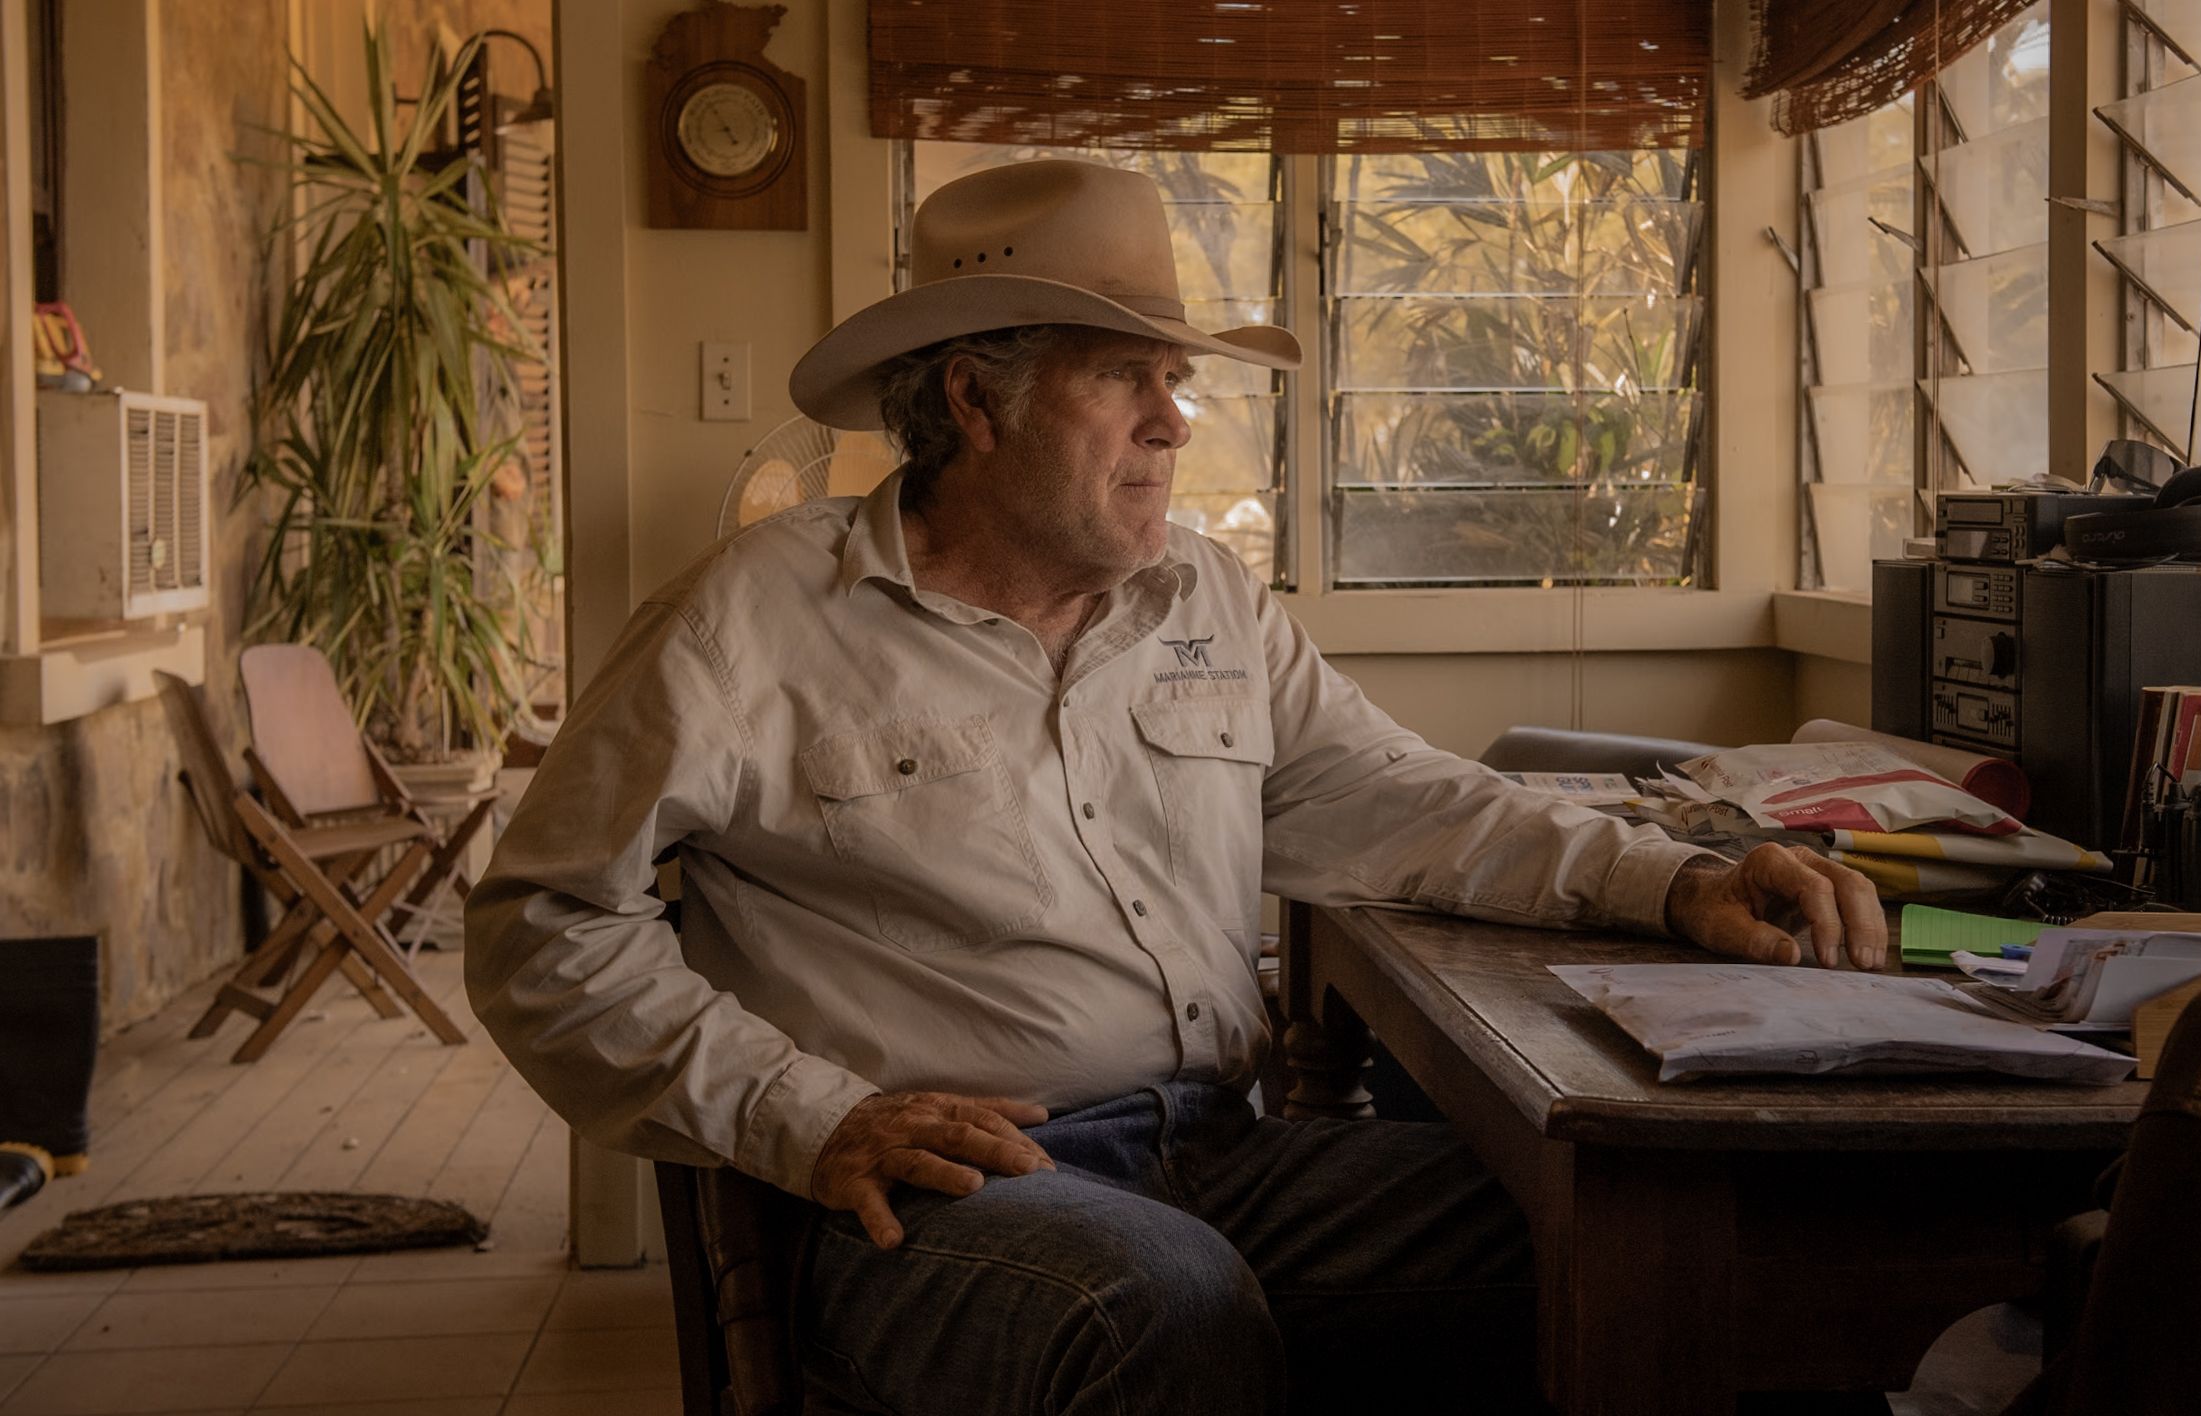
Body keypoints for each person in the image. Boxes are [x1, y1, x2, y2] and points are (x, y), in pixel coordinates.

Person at [467, 158, 1886, 1416]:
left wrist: (1677, 881)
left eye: (1176, 379)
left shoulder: (1203, 594)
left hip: (1228, 1151)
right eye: (1125, 376)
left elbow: (1395, 793)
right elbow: (543, 932)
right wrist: (803, 1113)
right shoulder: (753, 619)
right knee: (1157, 1304)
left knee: (1678, 1238)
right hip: (949, 1197)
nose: (1176, 421)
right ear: (974, 397)